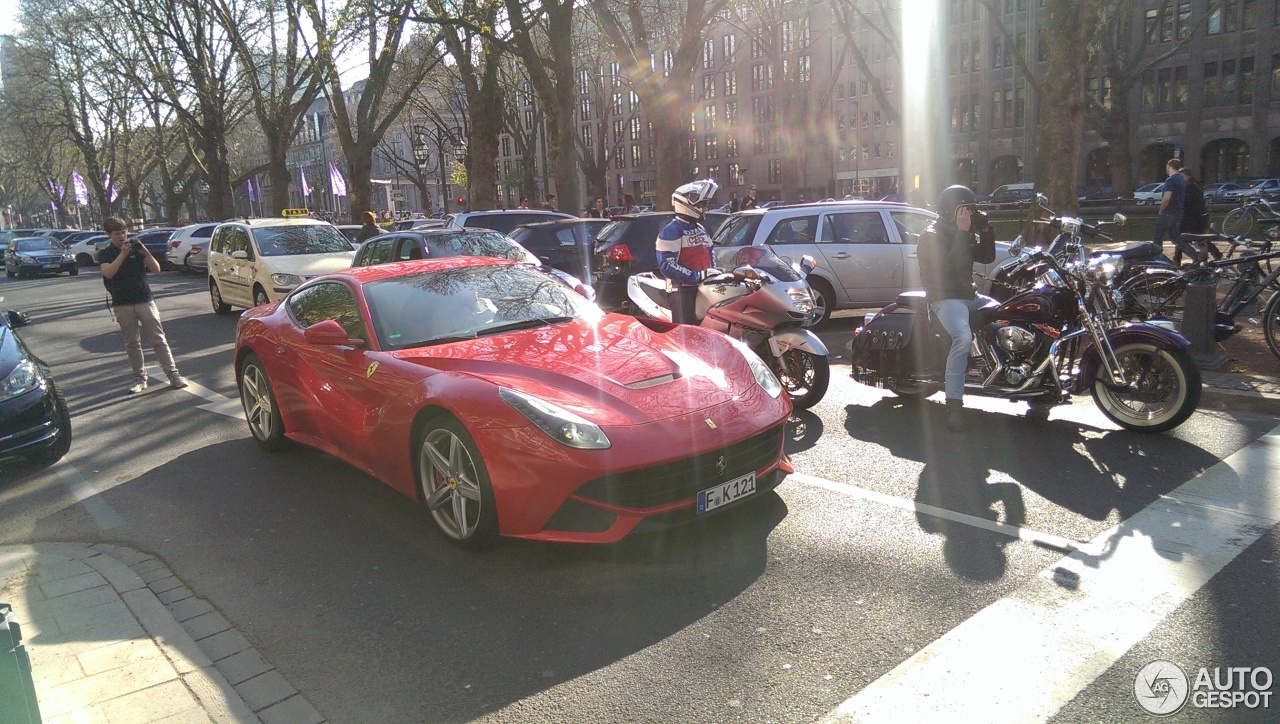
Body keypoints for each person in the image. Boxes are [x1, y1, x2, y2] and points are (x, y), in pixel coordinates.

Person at [917, 185, 996, 432]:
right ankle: (953, 404)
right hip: (945, 298)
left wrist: (985, 230)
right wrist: (963, 233)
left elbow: (986, 257)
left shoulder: (963, 230)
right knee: (962, 338)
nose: (971, 215)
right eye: (967, 210)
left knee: (1008, 317)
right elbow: (946, 269)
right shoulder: (931, 235)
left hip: (968, 295)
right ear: (953, 210)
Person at [96, 217, 187, 394]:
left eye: (124, 232)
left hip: (144, 299)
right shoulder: (106, 253)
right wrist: (122, 254)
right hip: (122, 303)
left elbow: (156, 269)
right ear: (109, 235)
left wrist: (145, 252)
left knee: (158, 339)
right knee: (132, 343)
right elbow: (108, 273)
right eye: (117, 234)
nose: (122, 236)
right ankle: (140, 378)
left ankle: (173, 374)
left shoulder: (136, 248)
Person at [656, 180, 719, 324]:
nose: (705, 209)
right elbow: (667, 265)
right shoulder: (671, 230)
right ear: (688, 204)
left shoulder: (700, 228)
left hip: (703, 288)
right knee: (684, 336)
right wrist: (697, 276)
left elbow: (710, 253)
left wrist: (712, 273)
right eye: (702, 205)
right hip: (681, 291)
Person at [1171, 167, 1220, 265]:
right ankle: (1216, 254)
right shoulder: (1193, 187)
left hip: (1192, 219)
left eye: (1182, 176)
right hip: (1197, 219)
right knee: (1198, 238)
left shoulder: (1189, 188)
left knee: (1181, 238)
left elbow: (1186, 204)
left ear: (1188, 176)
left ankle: (1181, 259)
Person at [1153, 158, 1186, 252]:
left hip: (1168, 213)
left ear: (1169, 166)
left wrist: (1161, 210)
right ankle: (1194, 255)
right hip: (1178, 212)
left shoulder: (1170, 180)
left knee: (1157, 238)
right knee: (1176, 238)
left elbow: (1167, 198)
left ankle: (1157, 257)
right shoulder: (1181, 179)